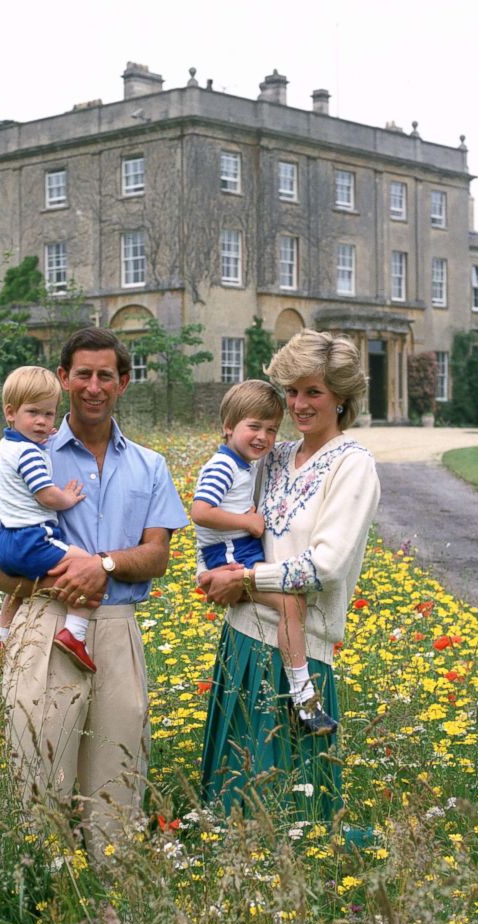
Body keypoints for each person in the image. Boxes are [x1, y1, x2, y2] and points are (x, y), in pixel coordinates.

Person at [0, 328, 188, 862]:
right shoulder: (24, 452)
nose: (94, 387)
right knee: (39, 780)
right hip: (44, 623)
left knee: (118, 782)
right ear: (64, 379)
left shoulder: (149, 465)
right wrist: (62, 581)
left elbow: (157, 555)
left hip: (116, 631)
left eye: (106, 376)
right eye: (83, 375)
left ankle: (118, 915)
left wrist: (104, 565)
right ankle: (46, 909)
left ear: (124, 383)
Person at [199, 329, 380, 823]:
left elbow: (325, 566)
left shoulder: (352, 465)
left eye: (313, 392)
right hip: (242, 637)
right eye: (292, 392)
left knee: (294, 814)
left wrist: (244, 580)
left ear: (341, 397)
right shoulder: (273, 456)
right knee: (234, 803)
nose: (299, 404)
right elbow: (224, 510)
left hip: (302, 650)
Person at [191, 381, 335, 735]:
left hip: (239, 552)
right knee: (290, 605)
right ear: (228, 426)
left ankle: (301, 693)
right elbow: (200, 511)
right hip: (231, 555)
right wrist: (248, 521)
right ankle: (303, 698)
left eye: (271, 429)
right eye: (254, 427)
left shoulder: (244, 465)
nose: (263, 437)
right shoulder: (223, 466)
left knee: (291, 606)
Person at [0, 365, 96, 673]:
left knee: (15, 591)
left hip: (5, 542)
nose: (42, 422)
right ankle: (75, 633)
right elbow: (45, 495)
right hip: (33, 538)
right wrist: (68, 498)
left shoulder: (5, 447)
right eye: (33, 413)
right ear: (10, 412)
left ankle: (2, 637)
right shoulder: (30, 455)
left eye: (49, 415)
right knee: (88, 567)